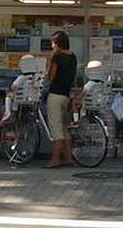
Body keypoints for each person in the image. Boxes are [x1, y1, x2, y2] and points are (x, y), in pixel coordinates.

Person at [44, 30, 77, 168]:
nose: (52, 46)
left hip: (55, 95)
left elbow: (51, 77)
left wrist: (51, 59)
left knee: (56, 129)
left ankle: (55, 160)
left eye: (53, 43)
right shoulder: (73, 57)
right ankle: (68, 158)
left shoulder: (57, 56)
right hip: (66, 96)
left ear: (57, 44)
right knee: (65, 129)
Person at [0, 54, 42, 123]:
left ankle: (8, 112)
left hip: (21, 98)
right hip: (34, 99)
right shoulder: (37, 77)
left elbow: (13, 86)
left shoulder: (21, 77)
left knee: (9, 95)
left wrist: (11, 89)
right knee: (16, 96)